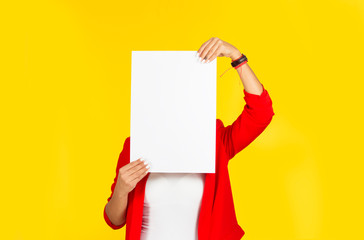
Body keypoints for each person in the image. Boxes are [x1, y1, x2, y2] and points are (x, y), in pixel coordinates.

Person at [103, 37, 275, 240]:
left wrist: (237, 57)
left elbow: (261, 113)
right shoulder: (135, 144)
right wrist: (121, 190)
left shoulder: (214, 140)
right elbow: (114, 220)